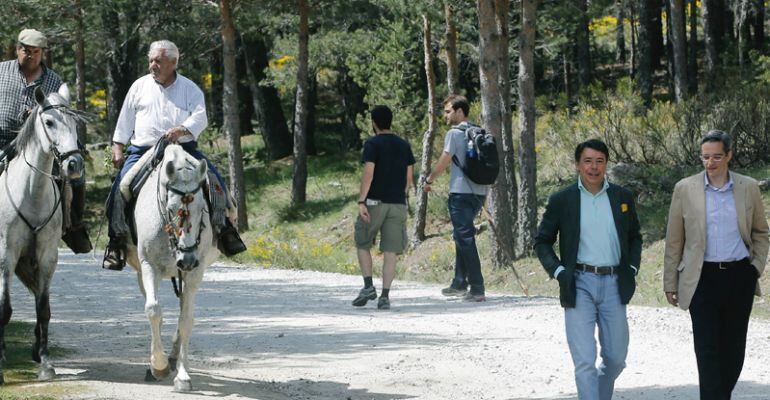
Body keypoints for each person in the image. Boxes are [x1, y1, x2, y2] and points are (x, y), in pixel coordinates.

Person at [102, 40, 245, 270]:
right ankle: (116, 242)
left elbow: (201, 117)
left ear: (173, 62)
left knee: (217, 184)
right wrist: (118, 147)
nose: (152, 65)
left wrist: (183, 129)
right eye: (150, 60)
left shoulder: (189, 88)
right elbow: (125, 121)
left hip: (183, 148)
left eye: (158, 61)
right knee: (120, 187)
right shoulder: (139, 86)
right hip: (143, 151)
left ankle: (225, 230)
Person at [663, 130, 769, 400]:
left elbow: (760, 232)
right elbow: (675, 239)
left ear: (729, 155)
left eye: (717, 157)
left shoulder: (748, 187)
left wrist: (754, 267)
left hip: (739, 277)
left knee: (734, 351)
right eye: (705, 157)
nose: (710, 163)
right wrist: (670, 282)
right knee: (707, 350)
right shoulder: (685, 188)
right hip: (701, 279)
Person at [534, 139, 642, 400]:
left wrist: (632, 268)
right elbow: (542, 241)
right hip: (578, 283)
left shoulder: (622, 197)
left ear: (606, 164)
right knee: (584, 361)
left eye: (599, 161)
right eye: (588, 161)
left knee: (616, 359)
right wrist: (559, 272)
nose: (594, 167)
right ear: (577, 165)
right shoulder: (562, 200)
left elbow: (635, 237)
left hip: (615, 283)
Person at [0, 28, 91, 253]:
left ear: (42, 53)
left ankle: (73, 226)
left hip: (38, 143)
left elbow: (61, 117)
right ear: (17, 49)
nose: (30, 55)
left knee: (76, 176)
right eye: (25, 50)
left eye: (35, 51)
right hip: (3, 138)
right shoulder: (1, 72)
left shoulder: (54, 81)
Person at [423, 94, 488, 302]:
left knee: (465, 238)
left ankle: (477, 287)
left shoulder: (454, 133)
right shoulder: (478, 131)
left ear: (460, 111)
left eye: (449, 111)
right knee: (462, 236)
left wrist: (430, 179)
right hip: (480, 193)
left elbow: (445, 159)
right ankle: (459, 282)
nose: (446, 115)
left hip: (461, 193)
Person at [351, 105, 415, 310]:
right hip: (398, 203)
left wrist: (362, 200)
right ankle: (385, 296)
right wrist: (400, 195)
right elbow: (409, 179)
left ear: (374, 123)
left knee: (363, 242)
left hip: (374, 203)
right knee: (390, 251)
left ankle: (368, 286)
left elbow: (368, 173)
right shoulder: (404, 145)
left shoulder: (372, 143)